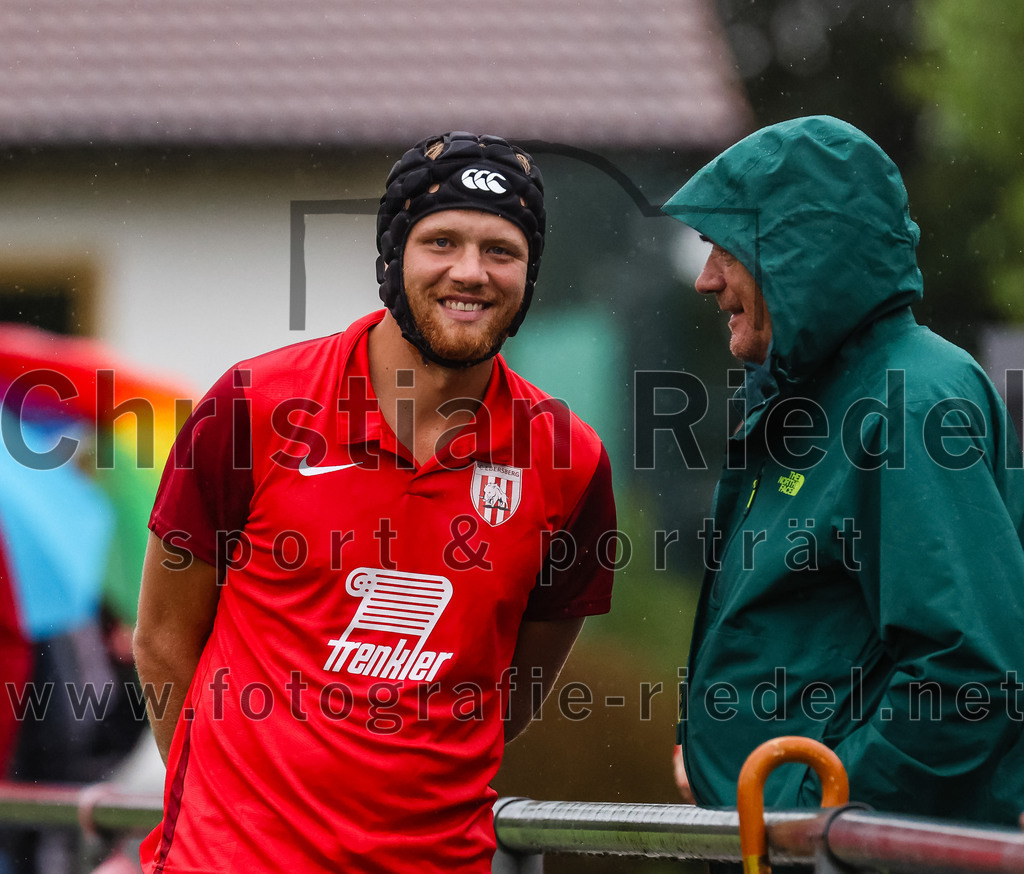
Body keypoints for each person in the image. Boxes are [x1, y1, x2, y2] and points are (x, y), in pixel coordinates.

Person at [133, 132, 616, 872]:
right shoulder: (253, 407)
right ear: (392, 257)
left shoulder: (570, 461)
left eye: (501, 250)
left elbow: (508, 696)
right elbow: (164, 640)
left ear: (529, 273)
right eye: (442, 241)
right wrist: (225, 809)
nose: (470, 272)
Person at [663, 115, 1024, 824]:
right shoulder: (811, 397)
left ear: (801, 252)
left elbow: (969, 675)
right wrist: (714, 753)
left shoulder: (910, 400)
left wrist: (813, 811)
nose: (706, 280)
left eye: (725, 248)